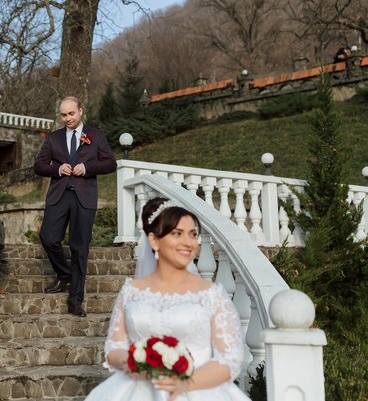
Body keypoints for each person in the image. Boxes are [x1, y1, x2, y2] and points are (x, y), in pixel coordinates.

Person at [85, 198, 251, 401]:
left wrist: (185, 383)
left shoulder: (212, 295)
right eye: (177, 234)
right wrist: (133, 361)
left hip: (197, 390)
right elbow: (114, 348)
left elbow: (230, 358)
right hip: (136, 389)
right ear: (154, 240)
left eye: (193, 235)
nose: (188, 243)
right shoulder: (131, 291)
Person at [33, 96, 117, 317]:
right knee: (48, 237)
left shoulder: (95, 135)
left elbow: (110, 163)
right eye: (63, 115)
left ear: (81, 111)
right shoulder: (53, 138)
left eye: (71, 113)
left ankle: (76, 300)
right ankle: (65, 274)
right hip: (59, 196)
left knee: (80, 248)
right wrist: (57, 170)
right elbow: (39, 165)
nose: (67, 118)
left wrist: (87, 167)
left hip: (84, 197)